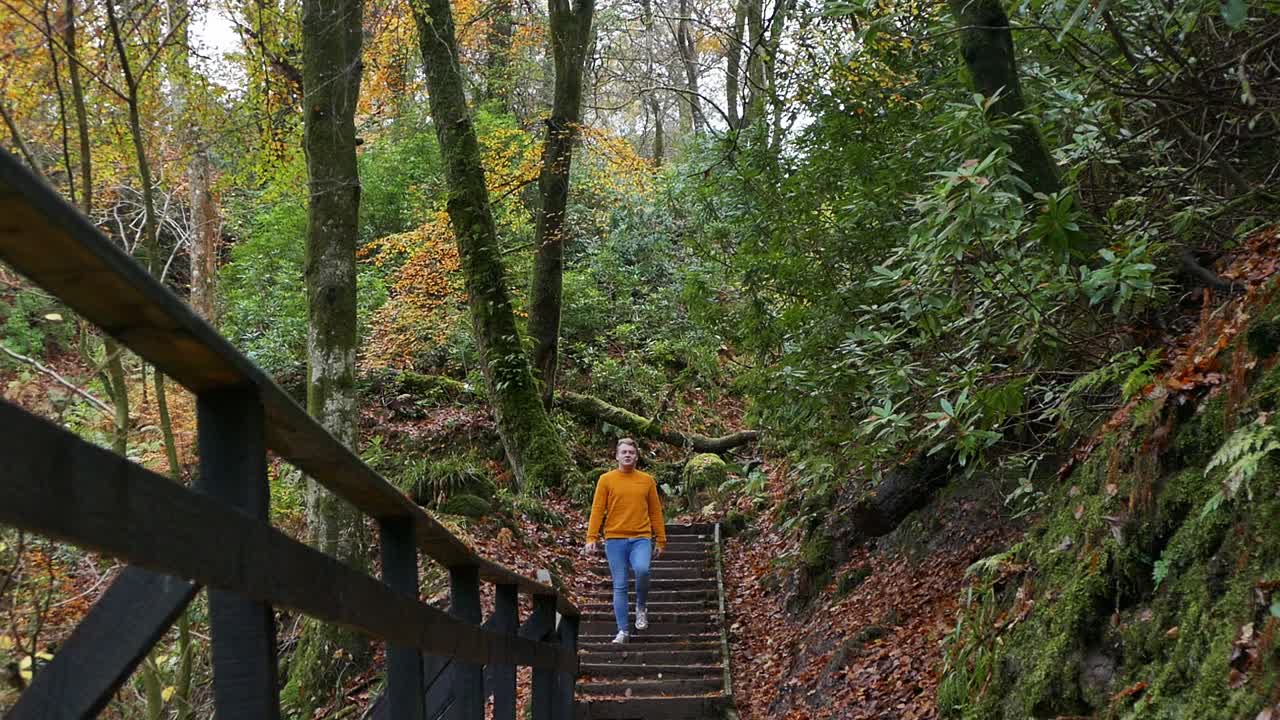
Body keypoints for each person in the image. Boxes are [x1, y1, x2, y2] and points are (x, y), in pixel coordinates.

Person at [582, 437, 667, 643]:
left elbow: (655, 511)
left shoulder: (647, 480)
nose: (627, 455)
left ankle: (640, 606)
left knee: (642, 570)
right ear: (617, 456)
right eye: (624, 452)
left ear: (637, 456)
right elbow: (597, 509)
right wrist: (591, 537)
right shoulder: (606, 480)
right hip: (614, 539)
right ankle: (623, 631)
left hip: (641, 538)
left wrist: (661, 539)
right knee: (619, 585)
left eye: (631, 452)